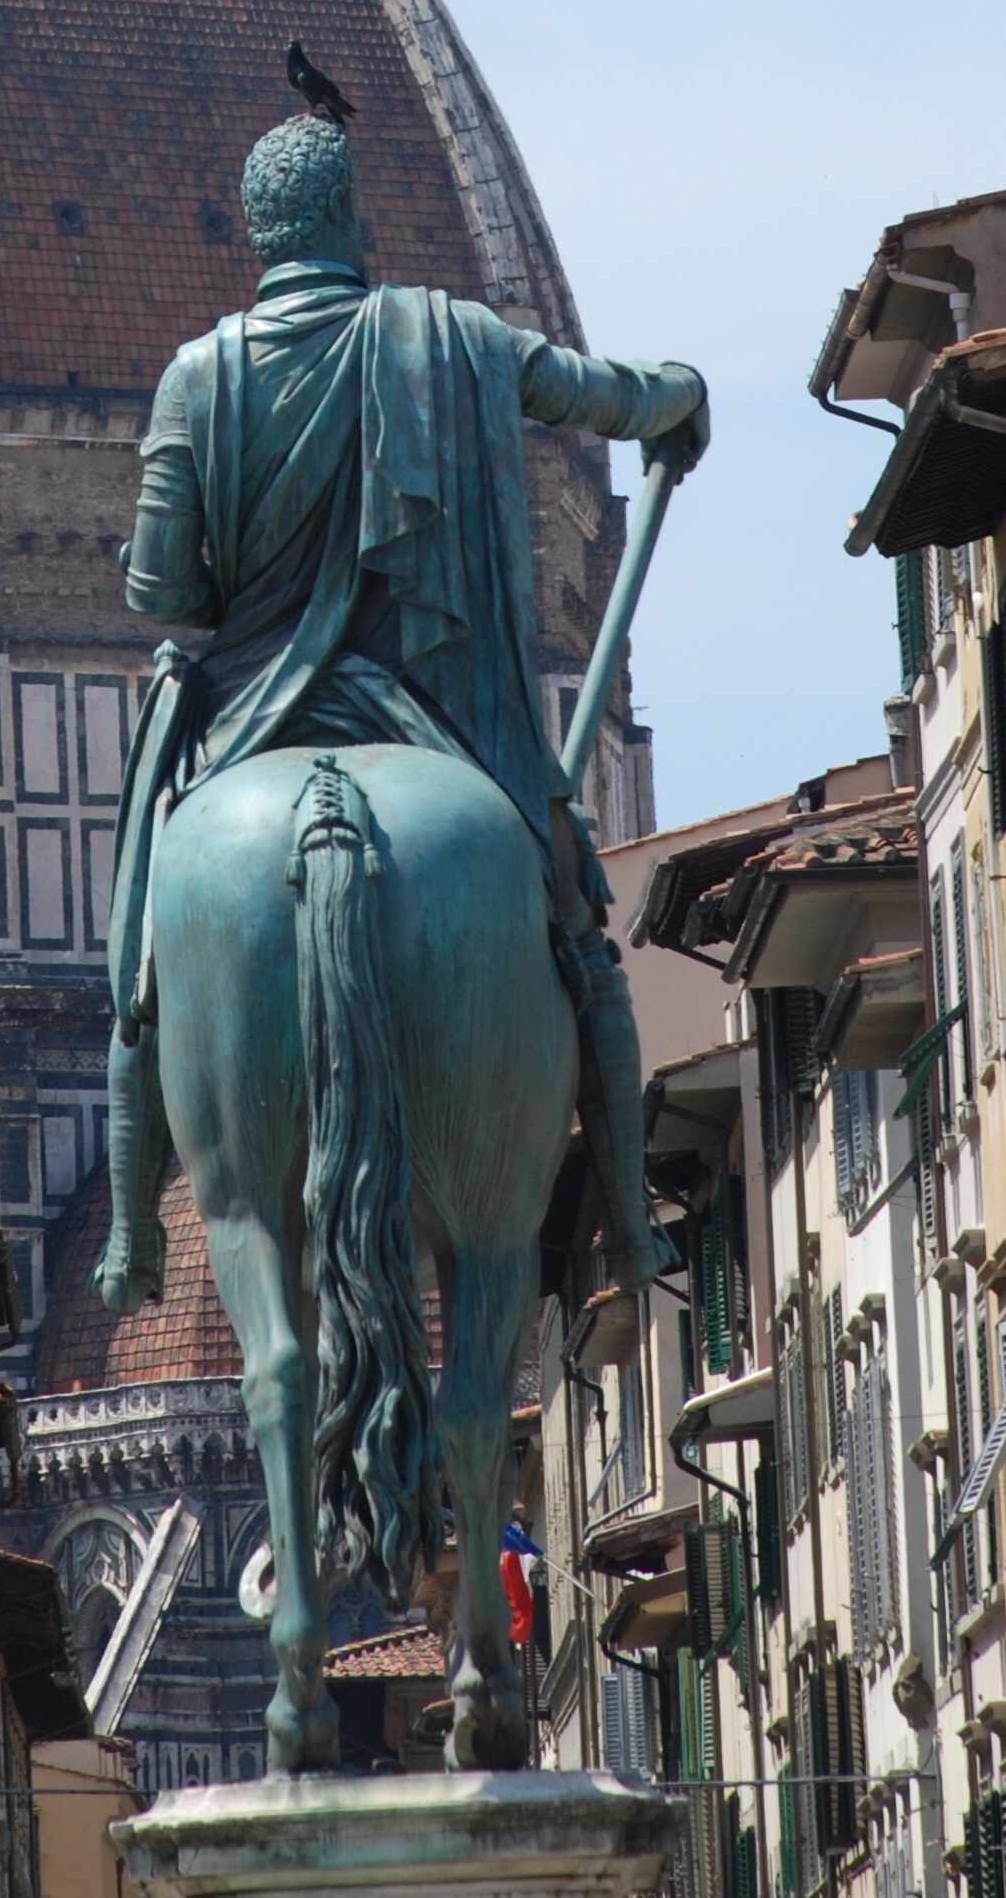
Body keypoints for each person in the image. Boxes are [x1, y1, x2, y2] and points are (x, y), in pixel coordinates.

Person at [96, 107, 707, 1314]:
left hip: (251, 725)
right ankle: (636, 1224)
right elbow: (595, 393)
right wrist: (676, 394)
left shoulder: (196, 378)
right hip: (432, 718)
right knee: (583, 947)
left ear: (256, 229)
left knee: (146, 967)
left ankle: (129, 1233)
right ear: (346, 215)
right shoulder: (453, 338)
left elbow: (161, 594)